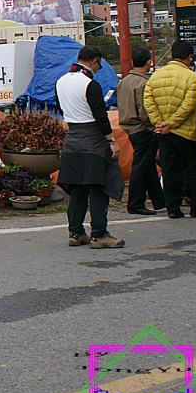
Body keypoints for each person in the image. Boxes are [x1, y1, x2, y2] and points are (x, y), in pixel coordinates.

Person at [55, 46, 125, 248]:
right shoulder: (90, 84)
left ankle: (76, 232)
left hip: (72, 139)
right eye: (99, 64)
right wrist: (112, 141)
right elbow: (101, 117)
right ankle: (99, 234)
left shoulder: (61, 81)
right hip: (92, 139)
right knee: (98, 187)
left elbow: (61, 108)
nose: (99, 67)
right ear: (94, 61)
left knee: (77, 189)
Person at [143, 41, 196, 219]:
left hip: (163, 132)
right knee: (193, 170)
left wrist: (160, 123)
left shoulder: (155, 77)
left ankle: (172, 208)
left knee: (169, 170)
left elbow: (148, 102)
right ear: (189, 57)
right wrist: (171, 123)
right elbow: (189, 106)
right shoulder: (192, 77)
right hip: (186, 132)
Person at [117, 47, 166, 216]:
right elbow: (144, 109)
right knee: (141, 165)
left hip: (128, 127)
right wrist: (154, 125)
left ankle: (159, 200)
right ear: (148, 63)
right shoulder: (143, 83)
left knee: (147, 165)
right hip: (142, 128)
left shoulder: (124, 81)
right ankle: (136, 203)